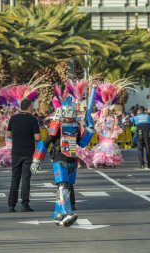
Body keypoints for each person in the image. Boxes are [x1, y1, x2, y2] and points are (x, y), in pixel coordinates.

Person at [30, 86, 96, 227]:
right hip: (59, 159)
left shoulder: (76, 126)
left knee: (67, 188)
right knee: (63, 187)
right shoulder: (57, 125)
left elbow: (82, 143)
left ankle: (57, 214)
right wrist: (37, 159)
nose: (71, 114)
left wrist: (90, 129)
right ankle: (66, 214)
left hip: (72, 159)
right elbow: (45, 142)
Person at [6, 98, 41, 213]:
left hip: (16, 152)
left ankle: (11, 204)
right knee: (26, 178)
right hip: (28, 153)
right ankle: (25, 204)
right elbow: (37, 138)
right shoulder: (33, 120)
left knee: (15, 178)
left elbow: (8, 134)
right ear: (30, 107)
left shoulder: (13, 118)